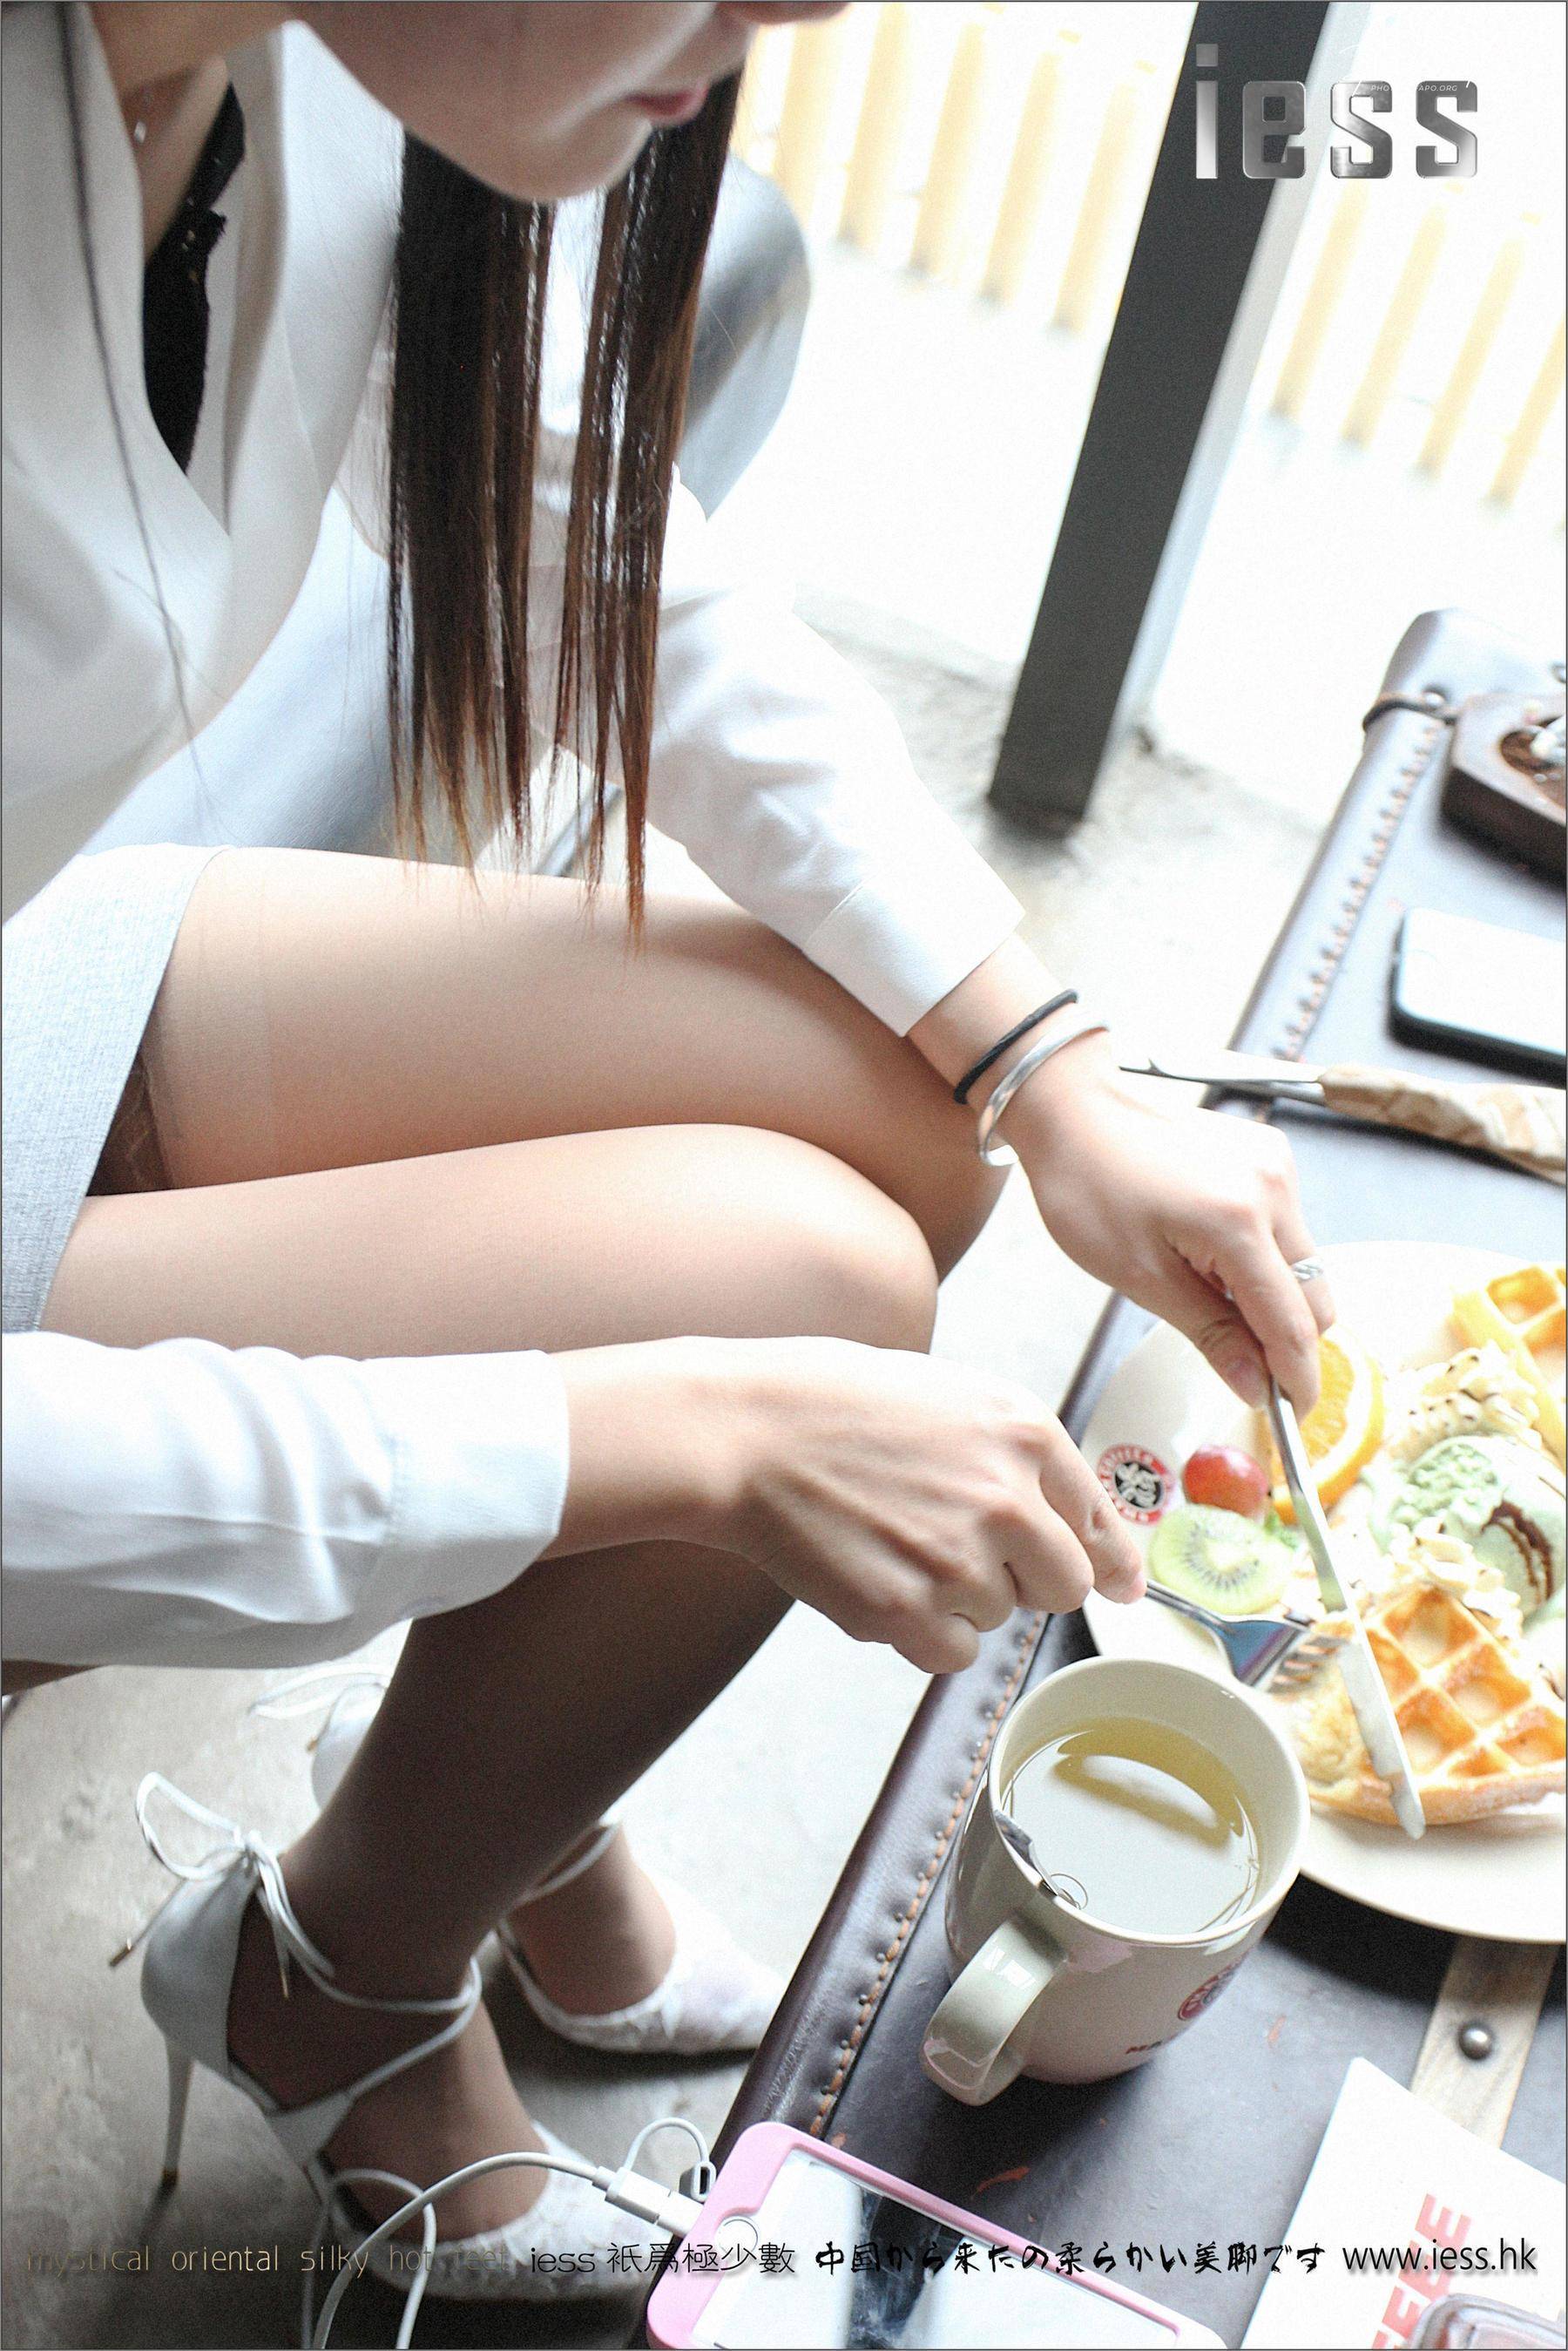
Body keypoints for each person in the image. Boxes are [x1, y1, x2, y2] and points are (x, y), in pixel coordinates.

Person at [1, 0, 1334, 2305]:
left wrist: (1052, 1062)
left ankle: (494, 1799)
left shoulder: (269, 61)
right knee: (786, 1304)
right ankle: (343, 1985)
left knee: (905, 1096)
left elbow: (566, 517)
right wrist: (656, 1433)